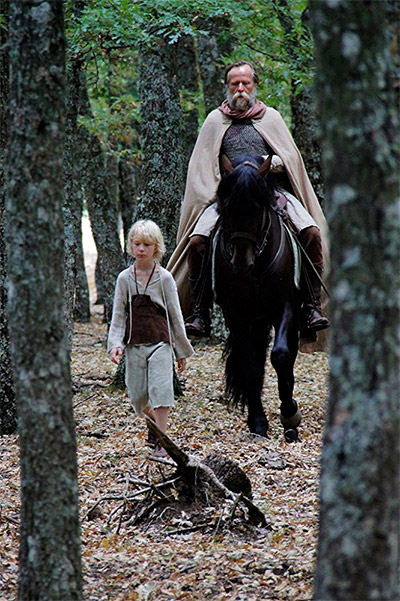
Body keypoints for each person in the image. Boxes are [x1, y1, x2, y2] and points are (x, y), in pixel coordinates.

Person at [167, 60, 330, 339]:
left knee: (312, 234)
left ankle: (311, 306)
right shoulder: (215, 121)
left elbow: (290, 158)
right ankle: (200, 312)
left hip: (270, 194)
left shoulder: (271, 118)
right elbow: (203, 167)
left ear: (254, 85)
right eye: (235, 84)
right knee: (196, 243)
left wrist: (273, 162)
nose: (240, 88)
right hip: (228, 199)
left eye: (245, 83)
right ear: (227, 87)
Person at [108, 219, 194, 457]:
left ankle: (162, 441)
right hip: (134, 344)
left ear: (156, 247)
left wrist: (181, 351)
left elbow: (175, 316)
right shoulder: (124, 278)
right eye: (137, 244)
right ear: (131, 245)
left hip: (160, 343)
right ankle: (155, 424)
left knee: (161, 391)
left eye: (147, 244)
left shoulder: (164, 278)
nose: (141, 249)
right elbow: (118, 315)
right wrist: (115, 344)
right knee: (137, 397)